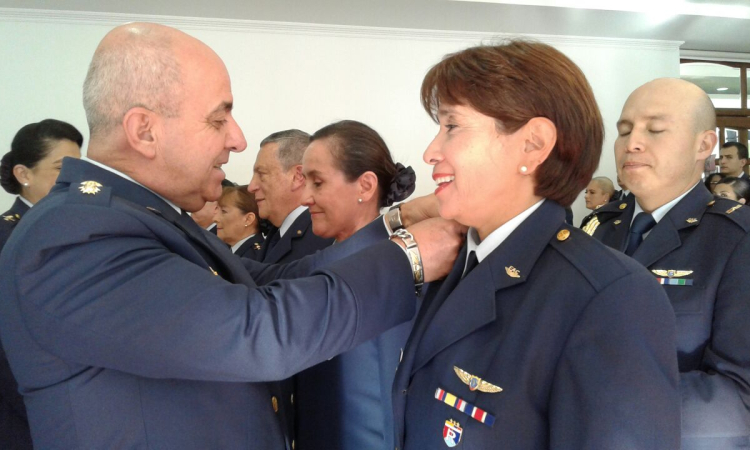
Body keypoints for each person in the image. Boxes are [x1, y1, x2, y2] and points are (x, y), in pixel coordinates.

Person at [0, 23, 464, 449]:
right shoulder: (73, 236)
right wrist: (408, 258)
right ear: (144, 131)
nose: (238, 140)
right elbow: (257, 330)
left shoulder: (140, 218)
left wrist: (394, 222)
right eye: (219, 119)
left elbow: (281, 277)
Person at [392, 41, 680, 450]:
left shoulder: (610, 297)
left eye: (452, 126)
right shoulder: (457, 260)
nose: (430, 152)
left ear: (533, 144)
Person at [591, 78, 750, 449]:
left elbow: (740, 394)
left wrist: (595, 401)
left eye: (656, 129)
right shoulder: (600, 229)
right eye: (624, 130)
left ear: (704, 145)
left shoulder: (736, 239)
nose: (632, 143)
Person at [295, 120, 416, 450]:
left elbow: (376, 403)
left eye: (317, 182)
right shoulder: (328, 256)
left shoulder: (390, 270)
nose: (305, 197)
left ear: (365, 186)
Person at [0, 118, 82, 450]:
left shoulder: (78, 228)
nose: (76, 181)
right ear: (24, 174)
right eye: (62, 169)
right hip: (28, 410)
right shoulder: (6, 238)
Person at [249, 130, 334, 264]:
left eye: (262, 174)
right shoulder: (278, 232)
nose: (251, 187)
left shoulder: (321, 239)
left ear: (297, 177)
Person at [215, 184, 265, 260]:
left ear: (248, 219)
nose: (215, 218)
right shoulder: (234, 252)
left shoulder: (256, 257)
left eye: (224, 211)